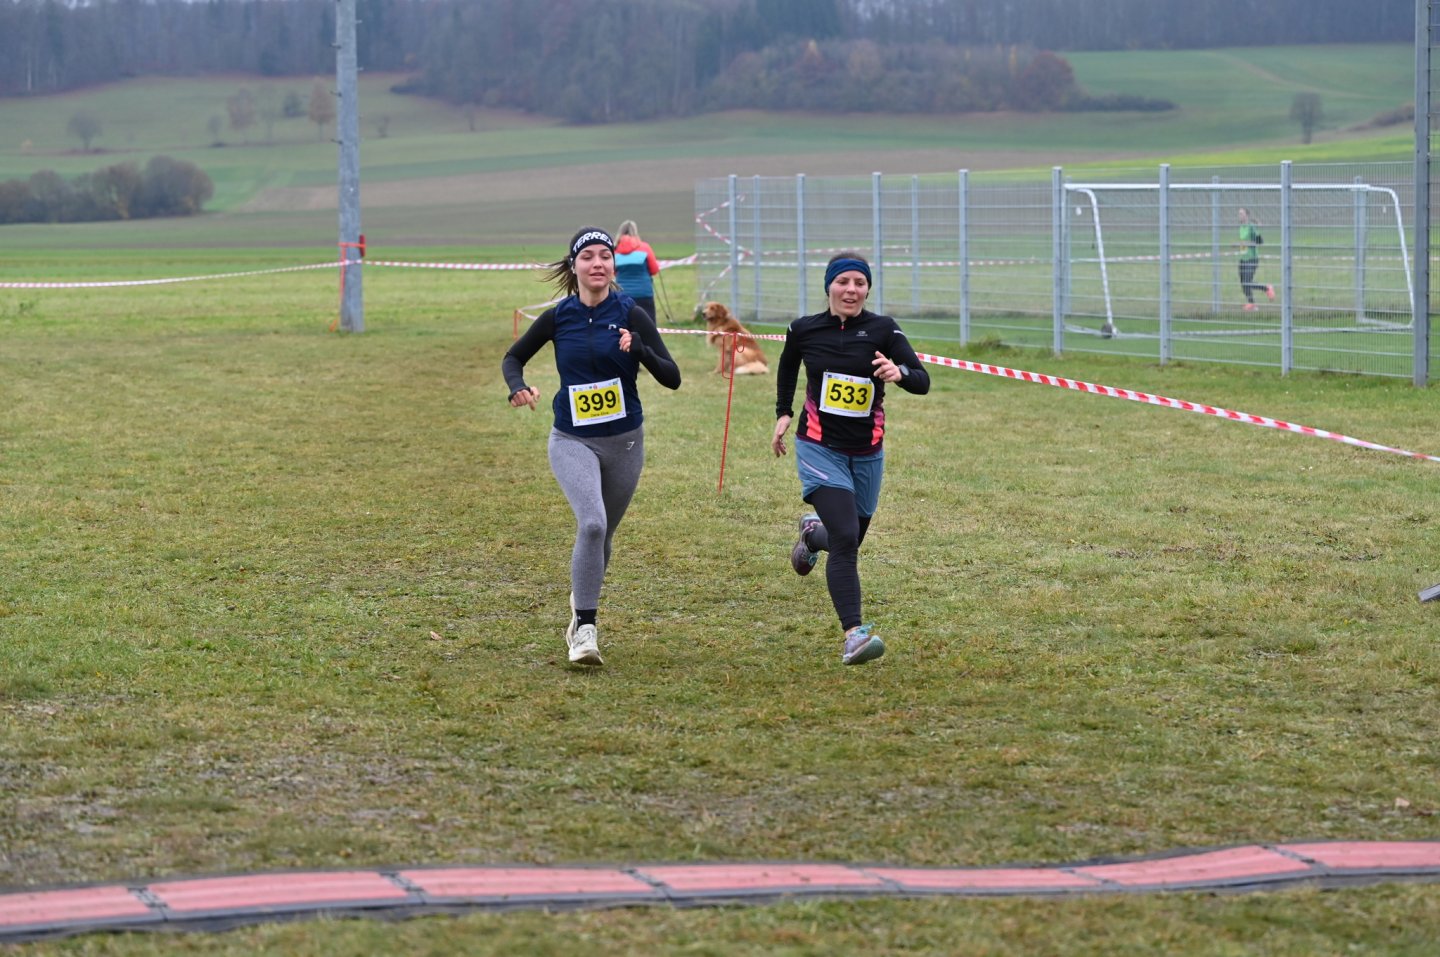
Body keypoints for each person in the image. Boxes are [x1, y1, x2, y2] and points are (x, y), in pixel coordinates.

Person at [502, 226, 682, 666]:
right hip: (572, 438)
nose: (597, 263)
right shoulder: (557, 317)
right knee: (594, 524)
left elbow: (672, 377)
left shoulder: (631, 312)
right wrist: (517, 386)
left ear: (613, 265)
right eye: (588, 256)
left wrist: (640, 350)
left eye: (605, 255)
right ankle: (585, 629)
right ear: (574, 265)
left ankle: (581, 598)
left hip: (625, 442)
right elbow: (513, 357)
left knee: (603, 535)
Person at [770, 252, 930, 666]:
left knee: (849, 538)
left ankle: (811, 535)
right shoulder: (803, 329)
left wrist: (900, 374)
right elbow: (787, 367)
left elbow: (922, 380)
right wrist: (783, 413)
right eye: (843, 282)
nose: (851, 290)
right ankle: (854, 635)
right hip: (818, 446)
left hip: (867, 453)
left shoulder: (884, 329)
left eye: (860, 283)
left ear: (868, 289)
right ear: (829, 286)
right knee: (845, 538)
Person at [614, 220, 661, 320]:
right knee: (648, 324)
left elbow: (612, 272)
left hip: (623, 294)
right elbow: (654, 270)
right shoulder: (645, 247)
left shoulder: (614, 250)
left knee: (625, 324)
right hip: (644, 293)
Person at [1236, 207, 1274, 312]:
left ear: (1247, 215)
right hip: (1243, 258)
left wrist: (1248, 244)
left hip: (1252, 259)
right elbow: (1243, 243)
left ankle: (1267, 288)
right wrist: (1239, 245)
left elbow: (1260, 241)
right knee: (1244, 283)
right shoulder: (1241, 227)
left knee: (1247, 282)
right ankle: (1251, 304)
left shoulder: (1251, 227)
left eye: (1242, 213)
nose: (1240, 216)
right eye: (1239, 214)